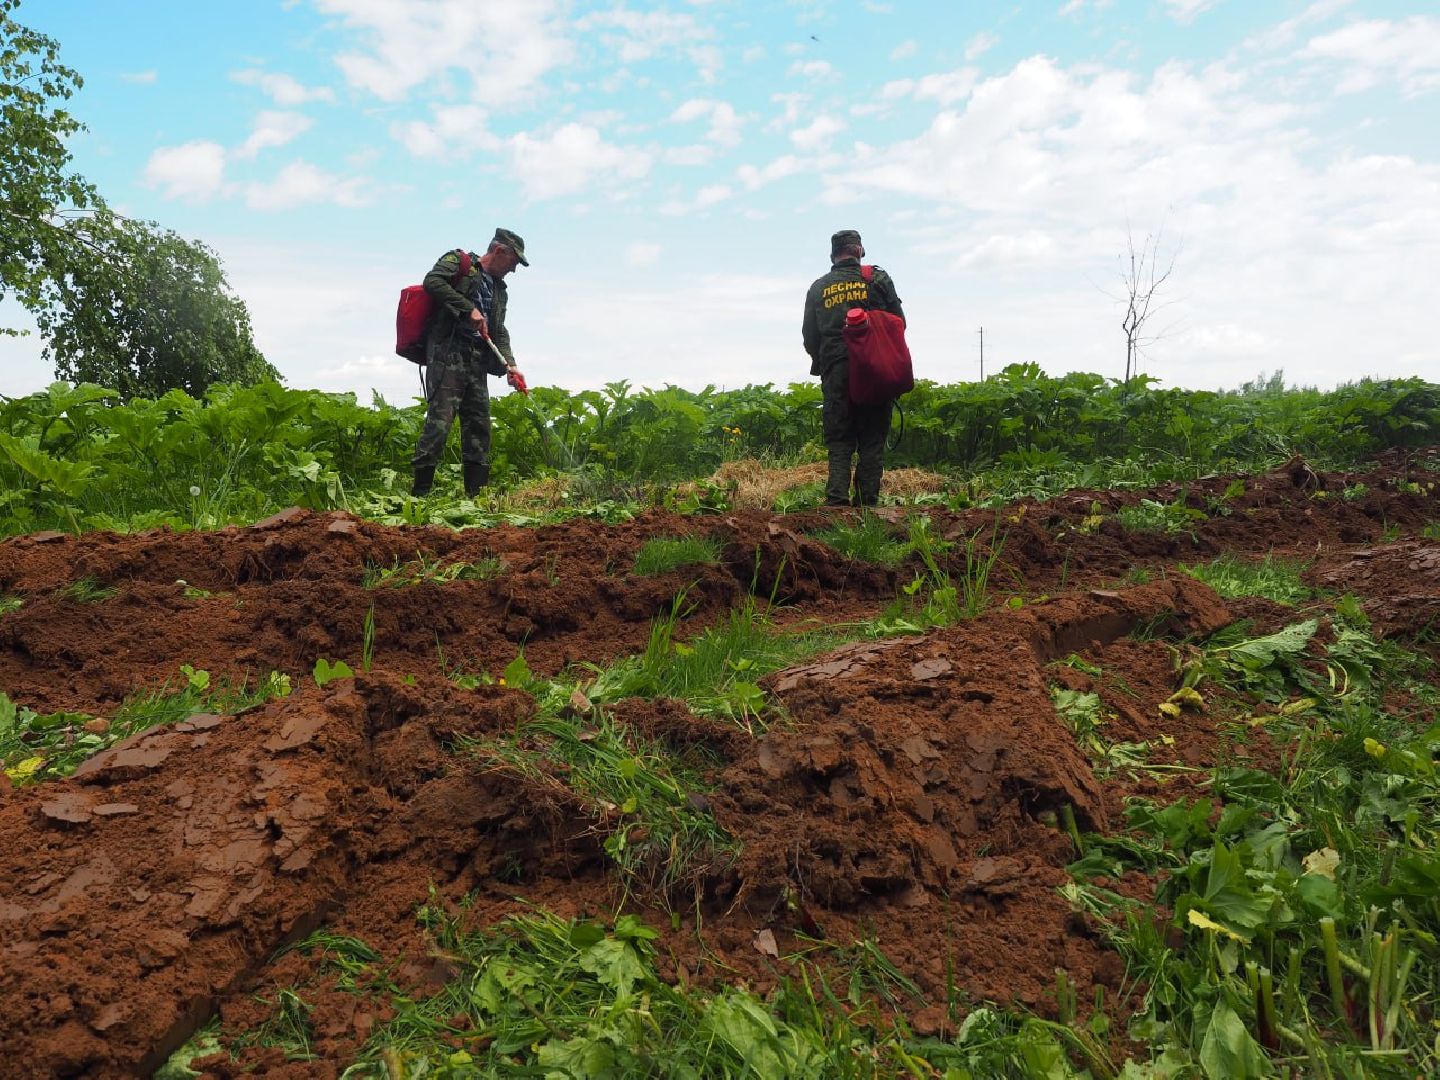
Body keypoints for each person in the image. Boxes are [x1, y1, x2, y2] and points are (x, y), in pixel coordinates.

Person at [411, 227, 530, 497]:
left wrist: (510, 365)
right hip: (447, 352)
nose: (513, 270)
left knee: (479, 426)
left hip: (477, 358)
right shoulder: (459, 262)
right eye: (513, 262)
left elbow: (499, 330)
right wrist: (468, 309)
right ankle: (419, 494)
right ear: (500, 251)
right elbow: (433, 282)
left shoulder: (500, 290)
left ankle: (476, 498)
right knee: (440, 421)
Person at [802, 229, 906, 507]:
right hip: (874, 371)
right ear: (859, 251)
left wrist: (827, 363)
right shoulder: (878, 279)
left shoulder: (818, 288)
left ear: (832, 255)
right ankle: (867, 505)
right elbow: (899, 323)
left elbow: (809, 337)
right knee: (872, 437)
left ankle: (836, 501)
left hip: (837, 372)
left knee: (839, 438)